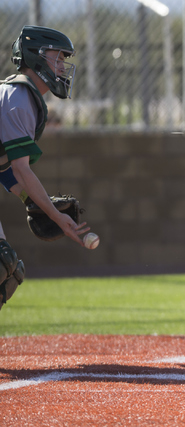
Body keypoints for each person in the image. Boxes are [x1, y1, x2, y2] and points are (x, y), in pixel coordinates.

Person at [0, 26, 90, 311]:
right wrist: (54, 214)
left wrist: (31, 200)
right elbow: (22, 170)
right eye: (58, 58)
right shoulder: (18, 98)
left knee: (9, 271)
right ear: (37, 57)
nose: (63, 66)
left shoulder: (22, 96)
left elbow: (5, 169)